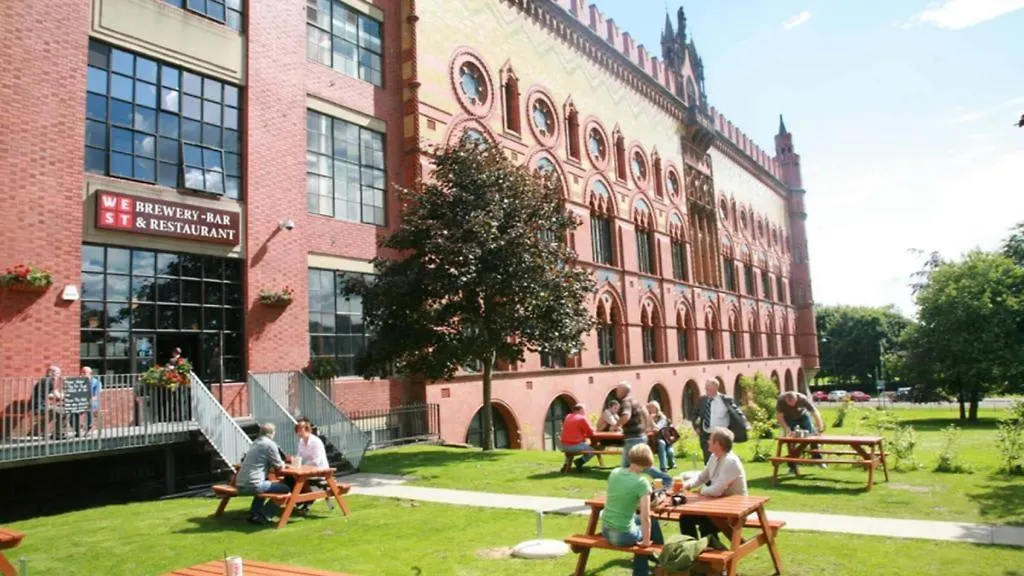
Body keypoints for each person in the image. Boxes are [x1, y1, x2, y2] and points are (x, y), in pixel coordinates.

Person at [679, 427, 747, 551]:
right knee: (685, 517)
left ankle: (717, 555)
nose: (708, 441)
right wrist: (687, 485)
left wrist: (701, 491)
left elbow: (717, 490)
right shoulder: (714, 457)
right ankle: (692, 551)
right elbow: (702, 477)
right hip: (718, 506)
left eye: (711, 439)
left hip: (734, 511)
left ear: (718, 444)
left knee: (707, 524)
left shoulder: (731, 462)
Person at [601, 443, 665, 576]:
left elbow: (623, 499)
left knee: (648, 524)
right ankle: (656, 563)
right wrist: (646, 542)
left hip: (606, 530)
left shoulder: (615, 473)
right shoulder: (641, 482)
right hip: (623, 535)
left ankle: (657, 559)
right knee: (645, 536)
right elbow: (645, 516)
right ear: (647, 462)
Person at [614, 382, 672, 485]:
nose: (616, 391)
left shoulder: (626, 402)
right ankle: (628, 484)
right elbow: (645, 413)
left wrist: (616, 425)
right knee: (635, 464)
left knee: (635, 465)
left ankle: (666, 479)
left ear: (623, 391)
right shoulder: (635, 401)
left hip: (633, 438)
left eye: (618, 389)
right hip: (640, 436)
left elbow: (626, 415)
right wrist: (647, 427)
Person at [236, 422, 292, 525]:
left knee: (265, 485)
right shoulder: (269, 444)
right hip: (253, 484)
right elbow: (279, 465)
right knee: (286, 489)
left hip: (240, 483)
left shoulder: (255, 442)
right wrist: (285, 464)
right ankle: (264, 515)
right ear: (271, 433)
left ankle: (254, 513)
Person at [693, 379, 749, 464]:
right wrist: (696, 426)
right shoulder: (702, 400)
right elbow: (694, 414)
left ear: (715, 388)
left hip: (721, 436)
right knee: (708, 462)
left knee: (723, 460)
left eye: (708, 387)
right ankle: (710, 473)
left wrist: (743, 425)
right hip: (706, 436)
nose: (705, 389)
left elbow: (738, 414)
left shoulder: (726, 400)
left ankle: (723, 472)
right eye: (705, 387)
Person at [776, 390, 827, 472]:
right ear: (786, 400)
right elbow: (779, 416)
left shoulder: (802, 398)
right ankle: (792, 466)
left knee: (812, 436)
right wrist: (786, 428)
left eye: (794, 403)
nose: (792, 406)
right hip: (789, 418)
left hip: (803, 416)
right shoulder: (781, 401)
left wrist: (819, 426)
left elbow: (814, 412)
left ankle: (818, 458)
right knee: (790, 441)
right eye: (790, 404)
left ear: (796, 398)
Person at [560, 403, 597, 472]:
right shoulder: (581, 418)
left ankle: (566, 464)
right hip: (574, 445)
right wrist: (592, 430)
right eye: (584, 410)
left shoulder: (568, 416)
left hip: (564, 445)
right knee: (593, 450)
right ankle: (579, 462)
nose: (585, 412)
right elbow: (590, 433)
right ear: (580, 410)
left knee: (571, 451)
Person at [71, 366, 102, 437]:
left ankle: (89, 428)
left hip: (91, 402)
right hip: (80, 402)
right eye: (81, 372)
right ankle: (78, 429)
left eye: (84, 373)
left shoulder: (96, 382)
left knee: (90, 407)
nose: (82, 374)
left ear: (90, 373)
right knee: (72, 410)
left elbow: (96, 396)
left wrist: (88, 400)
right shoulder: (78, 382)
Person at [646, 401, 676, 473]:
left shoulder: (662, 417)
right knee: (661, 443)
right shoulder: (647, 417)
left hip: (665, 438)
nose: (651, 409)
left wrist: (651, 421)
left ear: (657, 408)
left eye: (653, 407)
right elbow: (646, 429)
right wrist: (650, 423)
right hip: (652, 440)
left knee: (670, 452)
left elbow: (657, 429)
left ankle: (672, 464)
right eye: (649, 407)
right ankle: (663, 467)